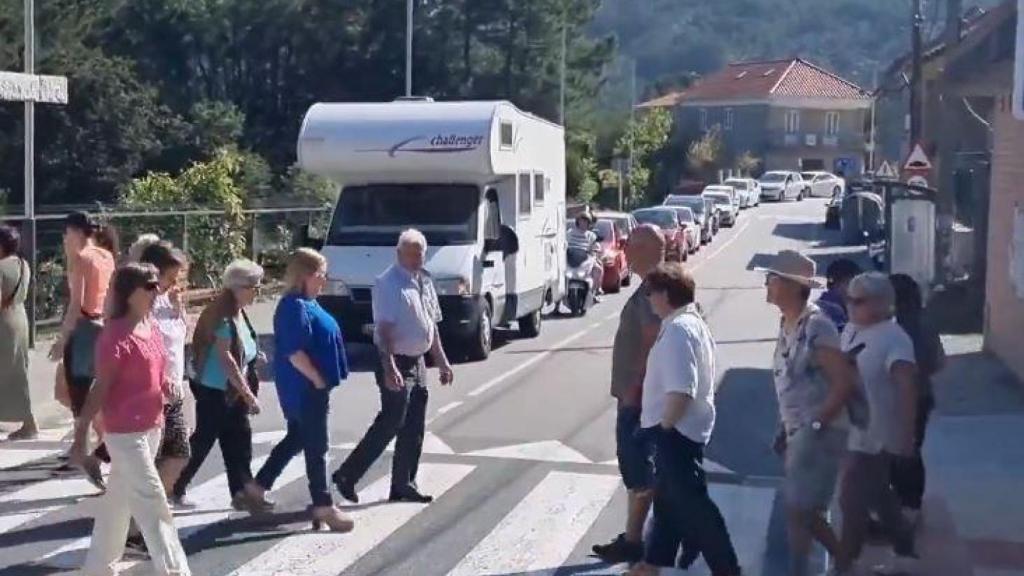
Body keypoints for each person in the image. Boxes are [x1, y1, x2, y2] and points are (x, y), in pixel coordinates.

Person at [70, 263, 191, 576]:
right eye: (148, 286)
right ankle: (176, 571)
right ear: (130, 293)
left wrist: (166, 385)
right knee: (153, 503)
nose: (155, 291)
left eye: (155, 285)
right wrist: (81, 434)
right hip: (124, 434)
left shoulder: (149, 325)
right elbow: (100, 388)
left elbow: (156, 368)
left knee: (119, 502)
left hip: (152, 427)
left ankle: (97, 569)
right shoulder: (113, 335)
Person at [629, 263, 741, 576]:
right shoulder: (687, 323)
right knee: (667, 505)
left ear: (665, 294)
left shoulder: (679, 330)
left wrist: (663, 428)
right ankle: (650, 565)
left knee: (695, 509)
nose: (649, 299)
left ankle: (728, 569)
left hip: (676, 432)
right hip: (677, 430)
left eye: (651, 292)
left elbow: (681, 388)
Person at [332, 229, 455, 504]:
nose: (415, 259)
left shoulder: (423, 280)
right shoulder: (388, 283)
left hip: (418, 360)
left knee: (414, 425)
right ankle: (347, 475)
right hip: (395, 360)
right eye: (409, 254)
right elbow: (383, 330)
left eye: (419, 254)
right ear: (398, 254)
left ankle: (403, 484)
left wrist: (443, 362)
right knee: (391, 421)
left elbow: (431, 326)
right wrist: (389, 367)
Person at [759, 250, 857, 576]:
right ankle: (808, 567)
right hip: (798, 430)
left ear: (791, 285)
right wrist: (782, 428)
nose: (766, 284)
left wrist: (815, 424)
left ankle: (842, 561)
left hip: (820, 431)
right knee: (801, 509)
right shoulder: (787, 322)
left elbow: (843, 383)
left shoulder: (818, 327)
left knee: (800, 508)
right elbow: (789, 382)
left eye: (772, 279)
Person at [254, 248, 354, 532]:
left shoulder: (306, 302)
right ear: (306, 275)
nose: (325, 280)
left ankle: (258, 486)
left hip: (311, 386)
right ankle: (323, 504)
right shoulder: (293, 306)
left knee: (299, 437)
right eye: (321, 275)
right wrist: (318, 379)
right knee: (317, 445)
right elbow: (293, 351)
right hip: (305, 387)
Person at [834, 272, 920, 576]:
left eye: (858, 301)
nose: (850, 305)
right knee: (878, 493)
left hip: (877, 434)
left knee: (851, 499)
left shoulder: (894, 338)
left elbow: (908, 388)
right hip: (852, 429)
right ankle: (903, 539)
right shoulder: (852, 330)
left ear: (884, 304)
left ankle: (844, 564)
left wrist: (906, 437)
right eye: (848, 299)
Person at [591, 224, 665, 565]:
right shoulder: (652, 286)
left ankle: (639, 542)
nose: (626, 251)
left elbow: (653, 341)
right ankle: (635, 539)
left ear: (648, 250)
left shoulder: (655, 289)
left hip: (638, 400)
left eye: (631, 246)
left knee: (640, 472)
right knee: (639, 474)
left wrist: (635, 392)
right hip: (636, 397)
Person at [171, 259, 271, 513]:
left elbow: (239, 349)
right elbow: (225, 359)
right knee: (205, 439)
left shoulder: (237, 310)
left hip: (229, 391)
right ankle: (174, 486)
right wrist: (249, 395)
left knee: (238, 439)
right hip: (216, 390)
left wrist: (253, 356)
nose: (256, 291)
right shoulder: (224, 315)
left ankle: (241, 492)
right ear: (238, 287)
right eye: (254, 286)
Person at [52, 212, 117, 488]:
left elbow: (75, 305)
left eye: (67, 232)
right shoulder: (105, 256)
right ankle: (96, 447)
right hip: (104, 325)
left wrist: (62, 339)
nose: (65, 238)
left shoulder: (82, 259)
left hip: (84, 330)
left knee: (80, 394)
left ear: (76, 232)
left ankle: (88, 450)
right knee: (95, 390)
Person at [888, 273, 945, 526]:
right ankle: (910, 504)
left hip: (899, 398)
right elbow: (940, 362)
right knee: (911, 449)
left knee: (899, 452)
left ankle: (907, 506)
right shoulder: (926, 322)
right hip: (922, 395)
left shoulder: (894, 328)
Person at [0, 225, 37, 440]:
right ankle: (29, 421)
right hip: (20, 319)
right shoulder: (23, 265)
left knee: (10, 373)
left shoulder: (1, 267)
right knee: (18, 371)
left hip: (3, 323)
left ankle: (29, 423)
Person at [816, 258, 861, 333]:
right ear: (838, 284)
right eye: (855, 283)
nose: (860, 287)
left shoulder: (840, 304)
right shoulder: (831, 310)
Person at [567, 212, 605, 301]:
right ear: (578, 222)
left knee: (598, 269)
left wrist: (595, 249)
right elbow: (564, 243)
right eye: (581, 221)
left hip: (586, 258)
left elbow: (595, 246)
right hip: (571, 258)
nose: (583, 223)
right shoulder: (570, 232)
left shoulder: (591, 235)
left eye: (585, 222)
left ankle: (595, 291)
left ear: (589, 223)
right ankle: (558, 303)